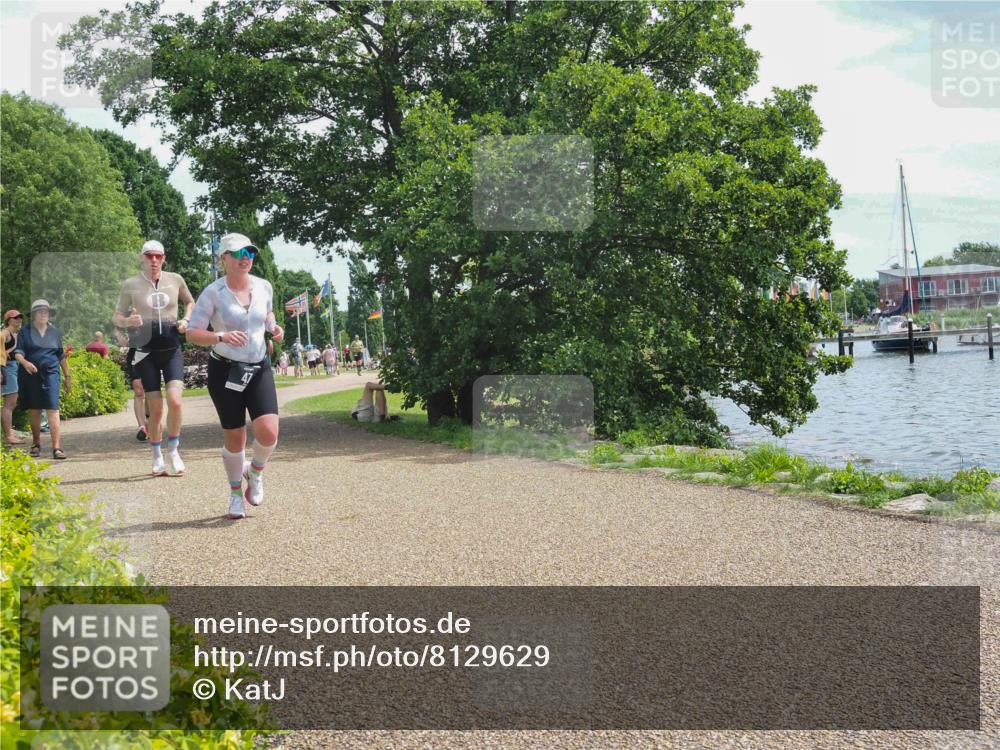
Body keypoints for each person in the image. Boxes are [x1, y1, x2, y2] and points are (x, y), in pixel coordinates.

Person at [186, 233, 284, 520]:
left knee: (269, 432)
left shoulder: (264, 286)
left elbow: (268, 314)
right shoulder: (213, 293)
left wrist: (274, 327)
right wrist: (221, 336)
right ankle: (234, 494)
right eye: (239, 253)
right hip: (226, 370)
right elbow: (192, 333)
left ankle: (255, 473)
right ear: (224, 258)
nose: (246, 258)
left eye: (250, 253)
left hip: (259, 367)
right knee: (235, 436)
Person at [113, 240, 194, 476]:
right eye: (149, 256)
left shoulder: (175, 279)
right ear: (142, 258)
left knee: (175, 401)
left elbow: (190, 301)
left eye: (158, 256)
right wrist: (127, 321)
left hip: (171, 349)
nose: (154, 260)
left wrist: (186, 320)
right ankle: (157, 456)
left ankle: (174, 450)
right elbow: (116, 316)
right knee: (156, 409)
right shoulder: (131, 284)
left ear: (164, 258)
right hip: (145, 353)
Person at [12, 300, 71, 459]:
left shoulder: (54, 332)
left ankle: (56, 448)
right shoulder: (25, 331)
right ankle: (36, 443)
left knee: (53, 408)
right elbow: (18, 353)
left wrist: (67, 376)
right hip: (30, 375)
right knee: (35, 410)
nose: (43, 314)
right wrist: (25, 363)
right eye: (40, 312)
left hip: (51, 373)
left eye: (46, 312)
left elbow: (61, 355)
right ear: (33, 315)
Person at [115, 328, 149, 441]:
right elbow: (124, 341)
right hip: (134, 355)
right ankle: (142, 427)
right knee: (139, 391)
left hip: (151, 354)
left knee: (151, 390)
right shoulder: (129, 319)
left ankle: (149, 420)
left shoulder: (150, 318)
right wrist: (118, 334)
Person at [2, 309, 25, 445]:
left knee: (12, 403)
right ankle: (9, 436)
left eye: (20, 317)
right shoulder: (5, 333)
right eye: (15, 317)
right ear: (8, 320)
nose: (18, 319)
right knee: (9, 403)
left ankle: (9, 432)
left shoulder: (16, 334)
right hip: (7, 368)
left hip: (14, 367)